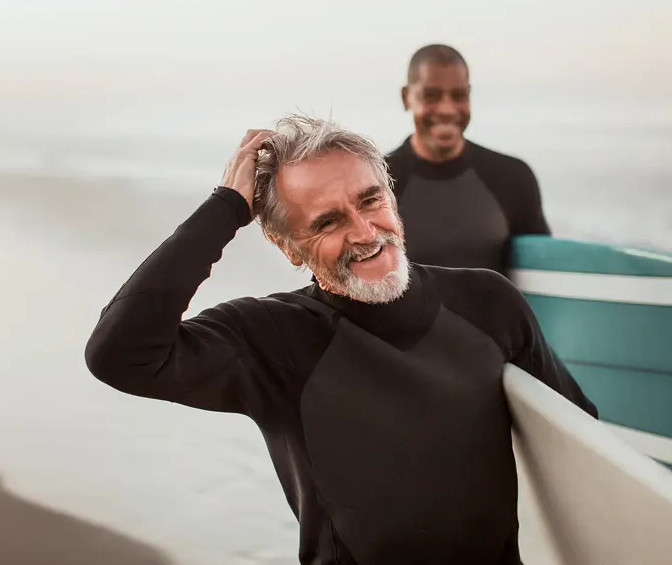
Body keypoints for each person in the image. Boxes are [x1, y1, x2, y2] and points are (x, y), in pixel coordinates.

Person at [85, 114, 596, 565]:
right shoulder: (271, 341)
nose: (365, 232)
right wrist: (224, 210)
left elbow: (579, 437)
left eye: (370, 200)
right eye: (327, 222)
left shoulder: (488, 302)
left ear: (392, 198)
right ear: (287, 247)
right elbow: (119, 353)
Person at [386, 44, 550, 276]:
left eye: (459, 95)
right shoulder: (379, 182)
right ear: (406, 98)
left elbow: (543, 277)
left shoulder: (514, 177)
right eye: (431, 95)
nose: (447, 109)